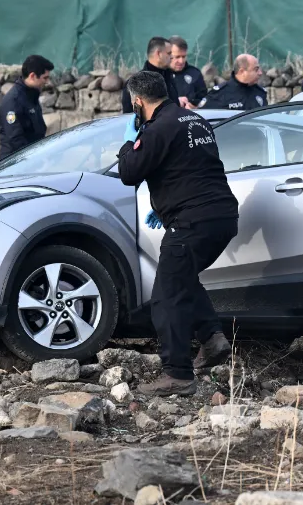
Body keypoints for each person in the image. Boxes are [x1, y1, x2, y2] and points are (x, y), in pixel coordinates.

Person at [117, 71, 240, 396]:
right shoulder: (195, 120)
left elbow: (129, 173)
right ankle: (212, 339)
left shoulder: (158, 128)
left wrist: (130, 139)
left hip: (191, 221)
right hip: (222, 215)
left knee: (166, 296)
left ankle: (178, 374)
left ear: (137, 102)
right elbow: (188, 167)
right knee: (181, 278)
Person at [0, 54, 53, 160]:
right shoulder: (13, 101)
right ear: (32, 76)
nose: (47, 82)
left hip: (30, 161)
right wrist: (34, 159)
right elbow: (15, 139)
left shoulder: (31, 97)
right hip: (14, 165)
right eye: (44, 78)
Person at [121, 37, 180, 114]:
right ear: (158, 53)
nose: (171, 57)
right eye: (169, 53)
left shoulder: (168, 76)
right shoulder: (136, 83)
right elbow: (129, 116)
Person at [199, 54, 267, 111]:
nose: (260, 73)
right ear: (242, 71)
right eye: (256, 69)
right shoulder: (219, 94)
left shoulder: (260, 92)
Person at [168, 36, 207, 108]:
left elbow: (204, 99)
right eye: (177, 57)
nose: (181, 61)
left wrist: (195, 107)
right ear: (168, 55)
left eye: (183, 57)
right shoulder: (160, 74)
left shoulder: (195, 73)